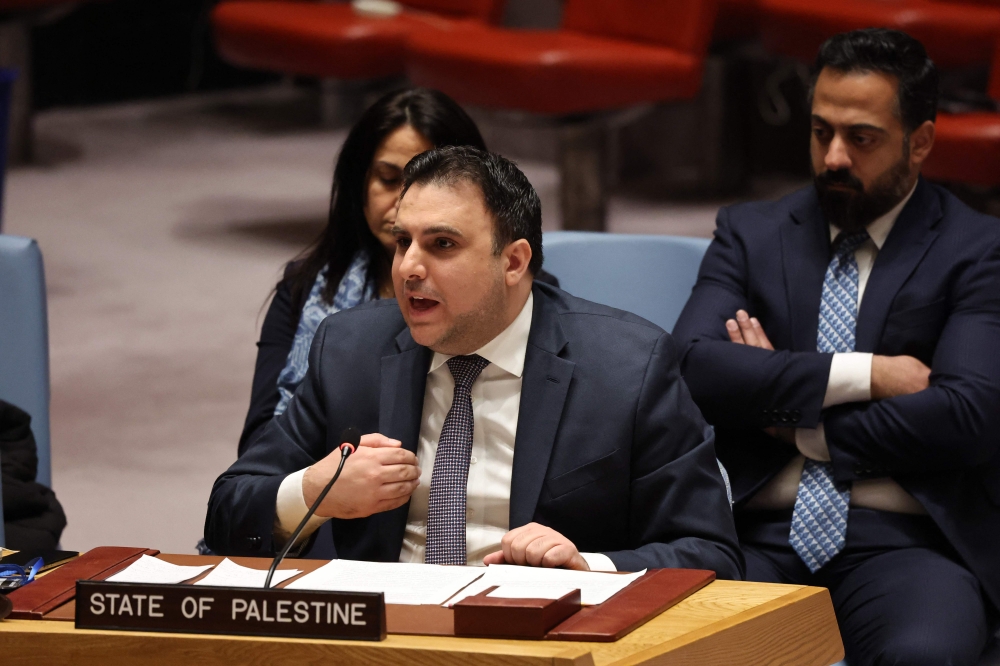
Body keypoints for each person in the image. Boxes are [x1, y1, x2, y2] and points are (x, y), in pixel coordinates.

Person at [205, 146, 743, 578]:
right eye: (402, 242)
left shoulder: (628, 365)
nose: (409, 268)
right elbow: (228, 511)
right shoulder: (350, 349)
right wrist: (313, 492)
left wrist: (588, 568)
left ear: (513, 261)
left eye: (441, 244)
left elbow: (710, 553)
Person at [673, 28, 1000, 665]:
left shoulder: (978, 249)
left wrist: (786, 415)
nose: (835, 158)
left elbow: (969, 416)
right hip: (755, 536)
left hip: (908, 542)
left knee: (925, 656)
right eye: (822, 131)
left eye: (863, 138)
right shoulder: (751, 232)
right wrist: (867, 374)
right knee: (688, 652)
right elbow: (692, 370)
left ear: (921, 141)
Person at [239, 87, 558, 457]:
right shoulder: (305, 287)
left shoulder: (523, 295)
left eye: (428, 182)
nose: (406, 201)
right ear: (360, 183)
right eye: (389, 180)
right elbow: (258, 456)